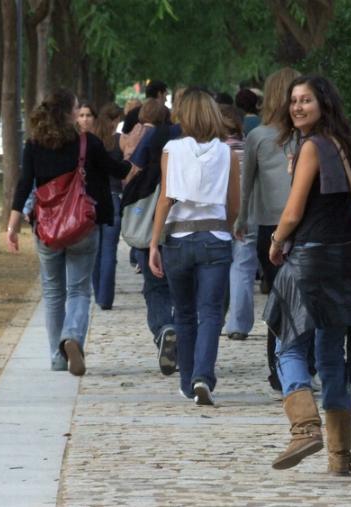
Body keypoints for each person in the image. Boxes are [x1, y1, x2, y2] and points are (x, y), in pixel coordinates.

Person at [263, 75, 351, 475]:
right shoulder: (342, 145)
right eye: (293, 101)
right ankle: (339, 456)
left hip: (309, 261)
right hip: (343, 262)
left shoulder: (311, 147)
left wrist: (276, 241)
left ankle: (305, 428)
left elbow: (293, 212)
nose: (297, 107)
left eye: (306, 100)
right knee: (331, 356)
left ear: (324, 104)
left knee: (288, 346)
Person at [6, 89, 131, 376]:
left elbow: (24, 184)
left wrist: (12, 226)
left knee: (52, 293)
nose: (79, 113)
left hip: (47, 229)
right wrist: (132, 160)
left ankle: (57, 357)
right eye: (76, 108)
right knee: (79, 290)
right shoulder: (87, 143)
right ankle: (72, 336)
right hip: (82, 226)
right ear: (67, 113)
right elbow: (117, 170)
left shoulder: (34, 144)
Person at [148, 89, 240, 406]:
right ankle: (203, 375)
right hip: (215, 238)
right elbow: (234, 203)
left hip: (178, 239)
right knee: (211, 312)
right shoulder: (227, 153)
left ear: (183, 116)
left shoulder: (171, 149)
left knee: (184, 312)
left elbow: (165, 199)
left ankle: (187, 382)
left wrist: (154, 243)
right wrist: (229, 227)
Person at [235, 67, 300, 388]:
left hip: (269, 225)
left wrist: (241, 219)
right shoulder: (304, 136)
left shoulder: (258, 136)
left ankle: (279, 367)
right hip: (300, 224)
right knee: (301, 299)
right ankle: (299, 363)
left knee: (279, 299)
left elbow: (246, 184)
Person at [121, 92, 184, 376]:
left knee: (155, 285)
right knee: (181, 287)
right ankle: (180, 334)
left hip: (151, 222)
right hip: (184, 222)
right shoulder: (183, 136)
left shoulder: (150, 136)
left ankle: (164, 328)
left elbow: (133, 170)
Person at [218, 104, 254, 342]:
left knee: (217, 267)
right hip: (248, 212)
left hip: (219, 213)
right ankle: (238, 324)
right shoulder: (250, 146)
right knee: (243, 268)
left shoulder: (215, 150)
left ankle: (215, 316)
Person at [91, 103, 125, 310]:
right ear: (115, 120)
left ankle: (98, 293)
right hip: (113, 198)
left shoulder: (92, 141)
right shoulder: (119, 141)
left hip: (94, 199)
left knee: (95, 250)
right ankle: (106, 298)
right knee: (109, 251)